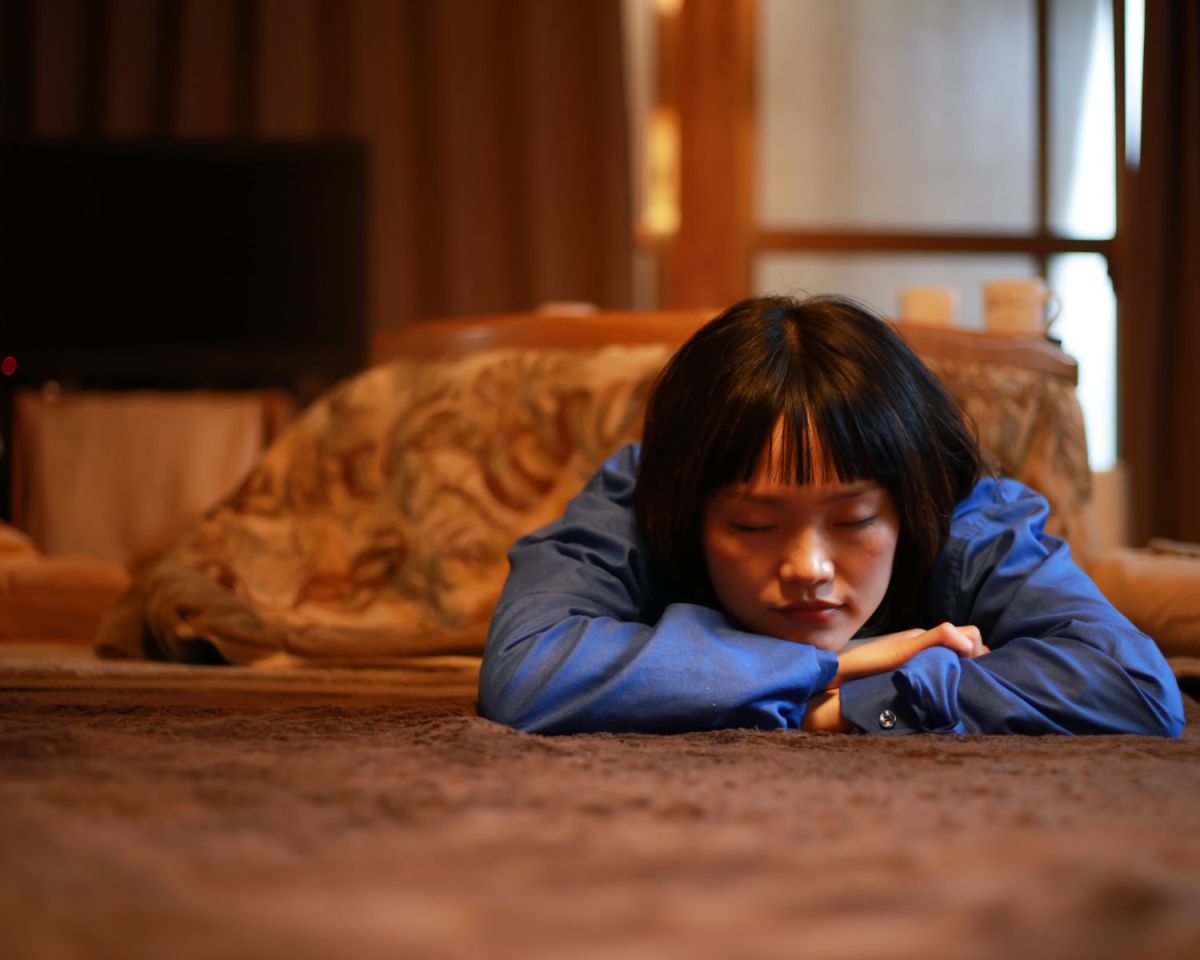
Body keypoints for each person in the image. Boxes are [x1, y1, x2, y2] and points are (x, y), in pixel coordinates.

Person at [477, 295, 1184, 737]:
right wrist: (830, 667)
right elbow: (527, 669)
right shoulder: (646, 493)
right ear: (690, 511)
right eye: (754, 526)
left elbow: (1133, 685)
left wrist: (855, 704)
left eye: (853, 521)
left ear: (908, 503)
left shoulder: (963, 513)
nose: (808, 569)